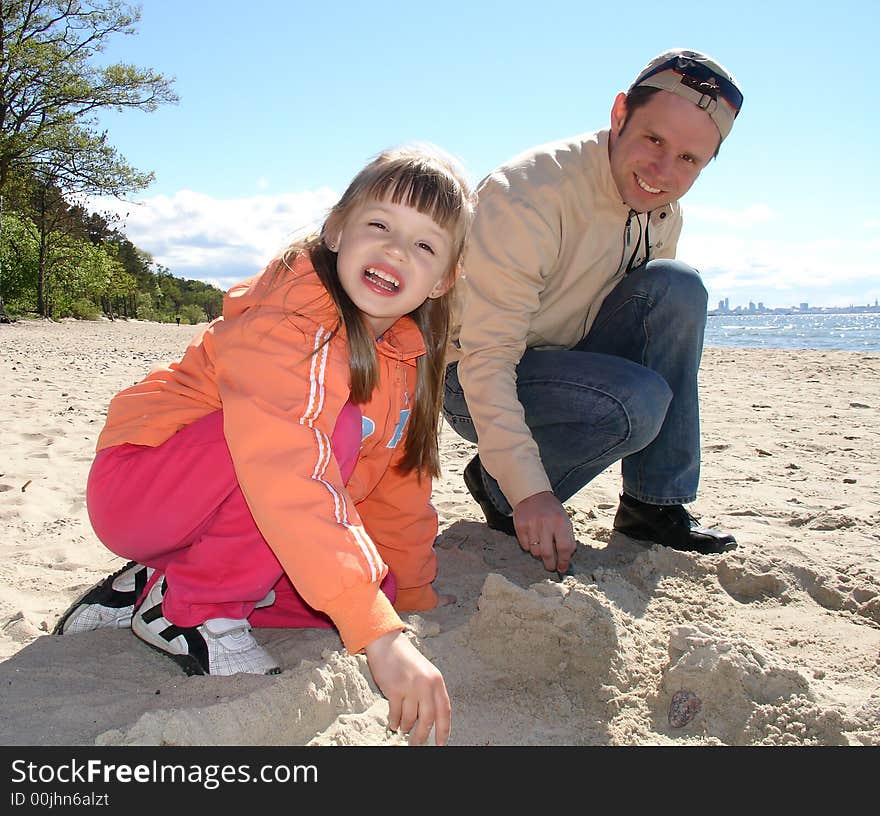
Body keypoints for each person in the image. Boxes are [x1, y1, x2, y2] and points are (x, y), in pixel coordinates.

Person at [53, 144, 476, 747]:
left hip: (217, 509)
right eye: (379, 225)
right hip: (141, 485)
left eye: (425, 245)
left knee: (356, 595)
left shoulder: (405, 360)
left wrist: (405, 598)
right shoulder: (292, 320)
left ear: (444, 281)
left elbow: (399, 488)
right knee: (329, 441)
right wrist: (382, 640)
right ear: (336, 229)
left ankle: (159, 583)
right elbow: (289, 467)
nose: (395, 252)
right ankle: (193, 610)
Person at [443, 48, 743, 575]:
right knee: (638, 401)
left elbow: (650, 330)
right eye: (654, 139)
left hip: (567, 360)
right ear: (619, 113)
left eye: (689, 160)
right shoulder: (529, 194)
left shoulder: (662, 208)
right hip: (471, 374)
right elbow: (487, 358)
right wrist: (529, 491)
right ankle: (496, 484)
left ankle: (653, 505)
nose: (662, 171)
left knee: (678, 287)